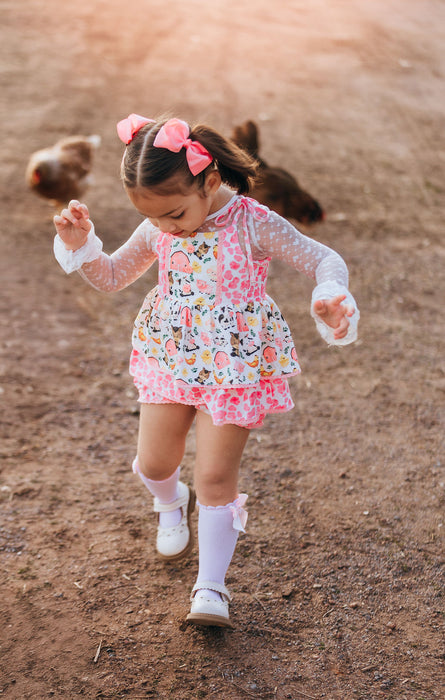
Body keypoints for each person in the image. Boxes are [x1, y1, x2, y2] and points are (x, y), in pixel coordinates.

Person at [53, 113, 359, 629]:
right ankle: (171, 502)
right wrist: (83, 244)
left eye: (174, 213)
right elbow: (109, 277)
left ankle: (211, 588)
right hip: (172, 355)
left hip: (235, 366)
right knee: (153, 464)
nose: (166, 227)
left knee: (216, 476)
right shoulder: (158, 226)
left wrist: (330, 294)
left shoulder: (252, 221)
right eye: (153, 219)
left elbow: (323, 258)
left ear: (210, 180)